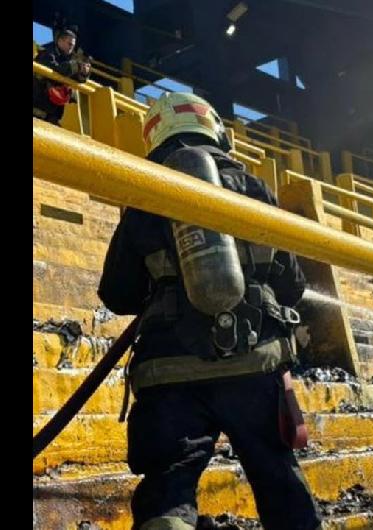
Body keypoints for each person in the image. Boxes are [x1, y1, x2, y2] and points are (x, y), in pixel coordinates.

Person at [98, 92, 322, 530]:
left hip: (169, 372)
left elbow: (117, 294)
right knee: (278, 479)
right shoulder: (255, 188)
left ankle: (169, 520)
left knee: (168, 484)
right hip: (253, 364)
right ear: (215, 128)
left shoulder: (144, 193)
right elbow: (292, 285)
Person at [33, 25, 92, 125]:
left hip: (51, 115)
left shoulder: (67, 60)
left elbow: (76, 78)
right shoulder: (47, 53)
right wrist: (77, 66)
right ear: (60, 41)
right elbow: (58, 69)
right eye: (70, 44)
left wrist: (83, 72)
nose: (71, 48)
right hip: (37, 108)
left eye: (73, 46)